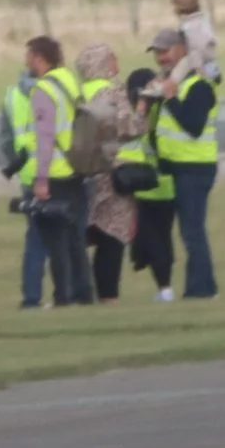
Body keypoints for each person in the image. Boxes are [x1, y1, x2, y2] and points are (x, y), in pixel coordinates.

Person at [147, 26, 218, 299]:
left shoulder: (198, 86)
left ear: (182, 50)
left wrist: (170, 98)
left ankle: (201, 290)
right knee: (190, 231)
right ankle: (204, 287)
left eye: (165, 51)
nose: (161, 58)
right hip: (179, 168)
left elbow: (193, 126)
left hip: (196, 168)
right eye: (157, 53)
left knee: (192, 232)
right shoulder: (173, 83)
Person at [19, 36, 90, 308]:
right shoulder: (69, 80)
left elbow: (46, 136)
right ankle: (83, 293)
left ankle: (63, 296)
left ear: (38, 57)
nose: (26, 61)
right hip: (77, 168)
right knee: (76, 238)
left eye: (29, 55)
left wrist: (41, 178)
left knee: (55, 239)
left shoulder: (43, 89)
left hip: (56, 171)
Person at [74, 43, 144, 302]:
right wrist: (143, 112)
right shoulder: (113, 92)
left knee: (87, 234)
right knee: (112, 236)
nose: (117, 62)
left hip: (86, 171)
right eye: (112, 58)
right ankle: (108, 295)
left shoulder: (80, 92)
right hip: (113, 173)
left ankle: (79, 292)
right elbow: (128, 126)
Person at [119, 68, 176, 302]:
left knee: (153, 241)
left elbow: (133, 144)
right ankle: (163, 286)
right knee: (159, 238)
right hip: (167, 186)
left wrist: (140, 111)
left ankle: (165, 289)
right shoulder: (164, 110)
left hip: (150, 188)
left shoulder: (147, 116)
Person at [0, 62, 42, 309]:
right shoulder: (57, 88)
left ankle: (32, 296)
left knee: (35, 239)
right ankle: (67, 293)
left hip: (27, 174)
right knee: (67, 240)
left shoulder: (13, 94)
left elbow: (5, 138)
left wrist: (17, 164)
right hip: (59, 172)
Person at [168, 0, 221, 87]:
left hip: (201, 68)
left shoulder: (189, 27)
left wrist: (199, 71)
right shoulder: (203, 20)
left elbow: (196, 49)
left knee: (183, 65)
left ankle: (168, 86)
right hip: (211, 65)